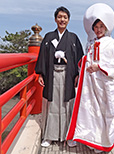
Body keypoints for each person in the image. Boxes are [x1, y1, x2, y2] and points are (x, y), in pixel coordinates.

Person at [66, 3, 114, 153]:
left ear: (106, 28)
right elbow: (86, 60)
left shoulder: (110, 43)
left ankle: (105, 140)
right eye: (96, 27)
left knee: (106, 111)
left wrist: (100, 67)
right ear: (92, 29)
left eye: (101, 27)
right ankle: (92, 139)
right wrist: (83, 63)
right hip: (91, 84)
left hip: (104, 84)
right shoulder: (90, 43)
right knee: (91, 111)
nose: (98, 30)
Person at [35, 6, 84, 148]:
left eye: (65, 17)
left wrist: (77, 75)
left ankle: (68, 136)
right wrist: (40, 74)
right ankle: (49, 136)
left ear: (68, 20)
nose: (62, 20)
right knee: (52, 105)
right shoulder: (49, 37)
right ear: (55, 19)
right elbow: (43, 57)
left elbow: (79, 59)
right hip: (51, 75)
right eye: (59, 17)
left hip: (68, 76)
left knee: (67, 105)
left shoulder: (73, 38)